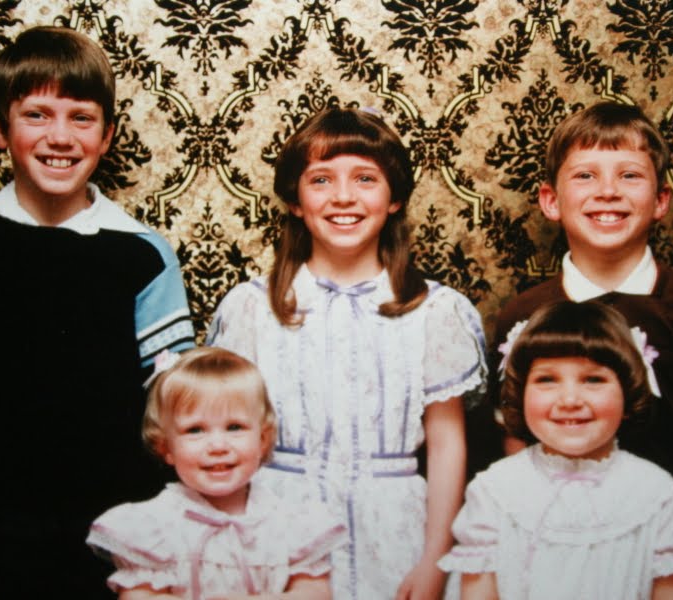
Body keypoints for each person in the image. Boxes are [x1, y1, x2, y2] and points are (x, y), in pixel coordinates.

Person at [0, 26, 195, 600]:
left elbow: (174, 418)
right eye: (37, 115)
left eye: (81, 117)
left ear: (107, 135)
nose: (59, 137)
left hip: (127, 549)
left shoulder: (144, 255)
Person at [207, 106, 487, 600]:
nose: (343, 197)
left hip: (396, 532)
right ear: (295, 199)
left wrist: (435, 561)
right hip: (275, 527)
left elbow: (446, 446)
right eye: (321, 180)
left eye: (364, 178)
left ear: (394, 197)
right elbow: (222, 436)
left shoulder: (435, 312)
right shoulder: (252, 308)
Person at [487, 101, 673, 596]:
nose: (607, 191)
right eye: (585, 176)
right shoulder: (522, 315)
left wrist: (665, 510)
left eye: (629, 175)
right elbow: (514, 440)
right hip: (552, 548)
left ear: (661, 201)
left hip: (661, 551)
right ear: (550, 200)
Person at [440, 300, 673, 599]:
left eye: (593, 379)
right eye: (547, 380)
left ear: (628, 391)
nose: (570, 399)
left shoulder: (658, 497)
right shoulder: (494, 492)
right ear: (520, 393)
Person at [87, 347, 347, 599]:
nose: (218, 446)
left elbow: (316, 593)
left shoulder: (291, 525)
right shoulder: (155, 527)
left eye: (234, 427)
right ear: (166, 447)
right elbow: (137, 595)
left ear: (263, 440)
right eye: (195, 430)